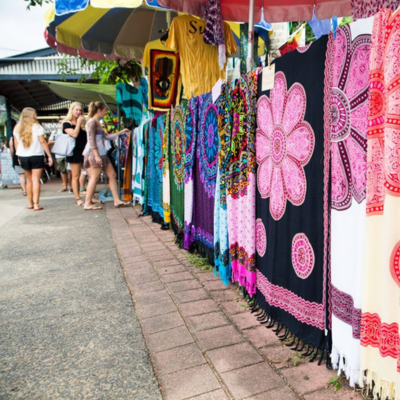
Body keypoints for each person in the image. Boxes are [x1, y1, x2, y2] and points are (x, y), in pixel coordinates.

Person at [83, 101, 130, 210]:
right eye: (104, 110)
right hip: (97, 154)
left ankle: (117, 200)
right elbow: (91, 140)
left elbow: (106, 137)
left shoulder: (96, 122)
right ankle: (87, 203)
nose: (105, 112)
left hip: (101, 153)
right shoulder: (92, 122)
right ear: (99, 110)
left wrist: (121, 132)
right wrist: (96, 155)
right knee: (94, 178)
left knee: (112, 175)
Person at [13, 107, 53, 211]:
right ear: (32, 115)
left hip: (23, 156)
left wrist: (18, 156)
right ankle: (36, 204)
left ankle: (30, 203)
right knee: (36, 180)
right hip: (36, 156)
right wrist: (49, 155)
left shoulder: (17, 127)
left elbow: (16, 143)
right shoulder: (37, 127)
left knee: (29, 180)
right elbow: (43, 142)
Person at [62, 102, 87, 206]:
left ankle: (89, 195)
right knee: (75, 175)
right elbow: (74, 134)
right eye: (76, 110)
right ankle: (77, 198)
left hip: (85, 151)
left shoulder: (82, 123)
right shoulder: (66, 123)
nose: (78, 112)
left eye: (80, 110)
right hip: (74, 152)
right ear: (71, 110)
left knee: (90, 173)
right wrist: (78, 123)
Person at [48, 121, 69, 192]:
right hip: (59, 154)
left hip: (68, 153)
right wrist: (58, 141)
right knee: (62, 171)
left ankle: (72, 186)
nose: (61, 124)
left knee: (69, 170)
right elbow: (49, 142)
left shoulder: (68, 130)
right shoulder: (55, 132)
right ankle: (65, 186)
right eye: (60, 123)